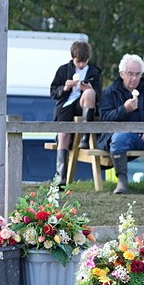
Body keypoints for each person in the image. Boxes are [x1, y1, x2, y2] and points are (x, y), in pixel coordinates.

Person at [98, 54, 144, 195]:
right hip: (124, 135)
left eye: (137, 74)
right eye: (130, 74)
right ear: (122, 74)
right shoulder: (110, 92)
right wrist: (124, 109)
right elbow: (104, 118)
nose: (134, 78)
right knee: (118, 139)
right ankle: (122, 182)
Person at [48, 40, 102, 185]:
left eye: (84, 62)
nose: (81, 65)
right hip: (66, 105)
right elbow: (53, 92)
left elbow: (99, 96)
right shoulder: (63, 70)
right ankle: (61, 178)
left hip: (83, 104)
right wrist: (64, 88)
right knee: (63, 135)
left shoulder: (94, 72)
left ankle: (85, 136)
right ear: (73, 58)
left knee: (90, 93)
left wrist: (90, 88)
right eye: (78, 62)